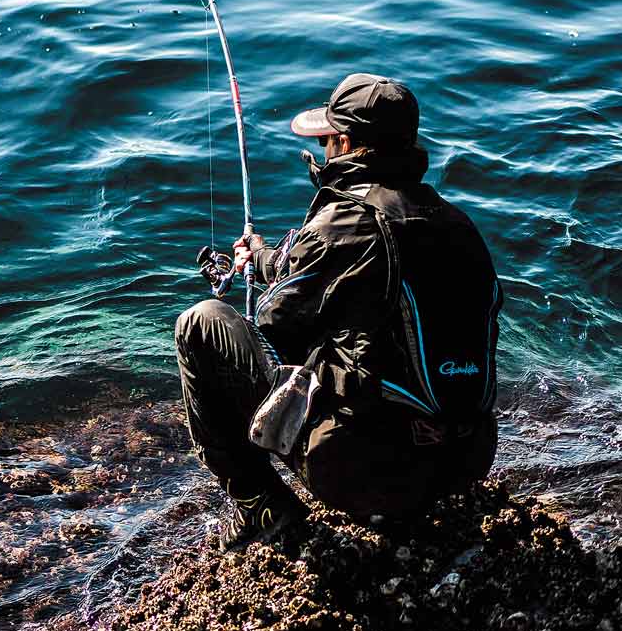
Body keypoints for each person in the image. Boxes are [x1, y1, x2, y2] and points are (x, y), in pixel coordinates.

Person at [174, 73, 502, 549]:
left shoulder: (347, 219)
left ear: (345, 142)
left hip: (368, 474)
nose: (324, 148)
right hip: (466, 459)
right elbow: (334, 268)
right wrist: (263, 257)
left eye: (327, 138)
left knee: (201, 323)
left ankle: (258, 507)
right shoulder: (457, 224)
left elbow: (275, 320)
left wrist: (267, 273)